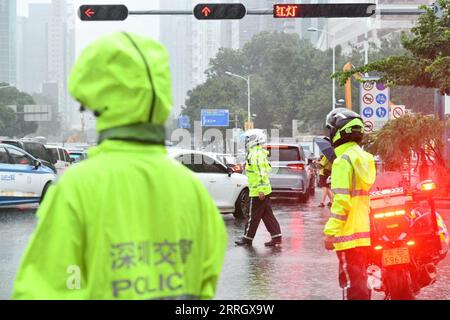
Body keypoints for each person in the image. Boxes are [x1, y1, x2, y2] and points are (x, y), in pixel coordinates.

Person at [12, 32, 227, 300]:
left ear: (96, 101)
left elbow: (45, 288)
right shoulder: (194, 192)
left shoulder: (78, 188)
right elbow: (204, 284)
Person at [323, 108, 376, 300]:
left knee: (352, 284)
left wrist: (330, 232)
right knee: (361, 280)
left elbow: (342, 202)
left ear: (337, 133)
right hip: (363, 232)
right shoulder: (365, 158)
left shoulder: (342, 162)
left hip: (347, 235)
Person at [235, 129, 282, 247]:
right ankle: (276, 236)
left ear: (254, 140)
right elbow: (265, 169)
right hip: (263, 190)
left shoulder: (254, 154)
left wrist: (260, 190)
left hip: (258, 191)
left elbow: (260, 173)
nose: (246, 142)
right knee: (267, 215)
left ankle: (247, 239)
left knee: (253, 216)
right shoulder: (258, 152)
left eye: (248, 139)